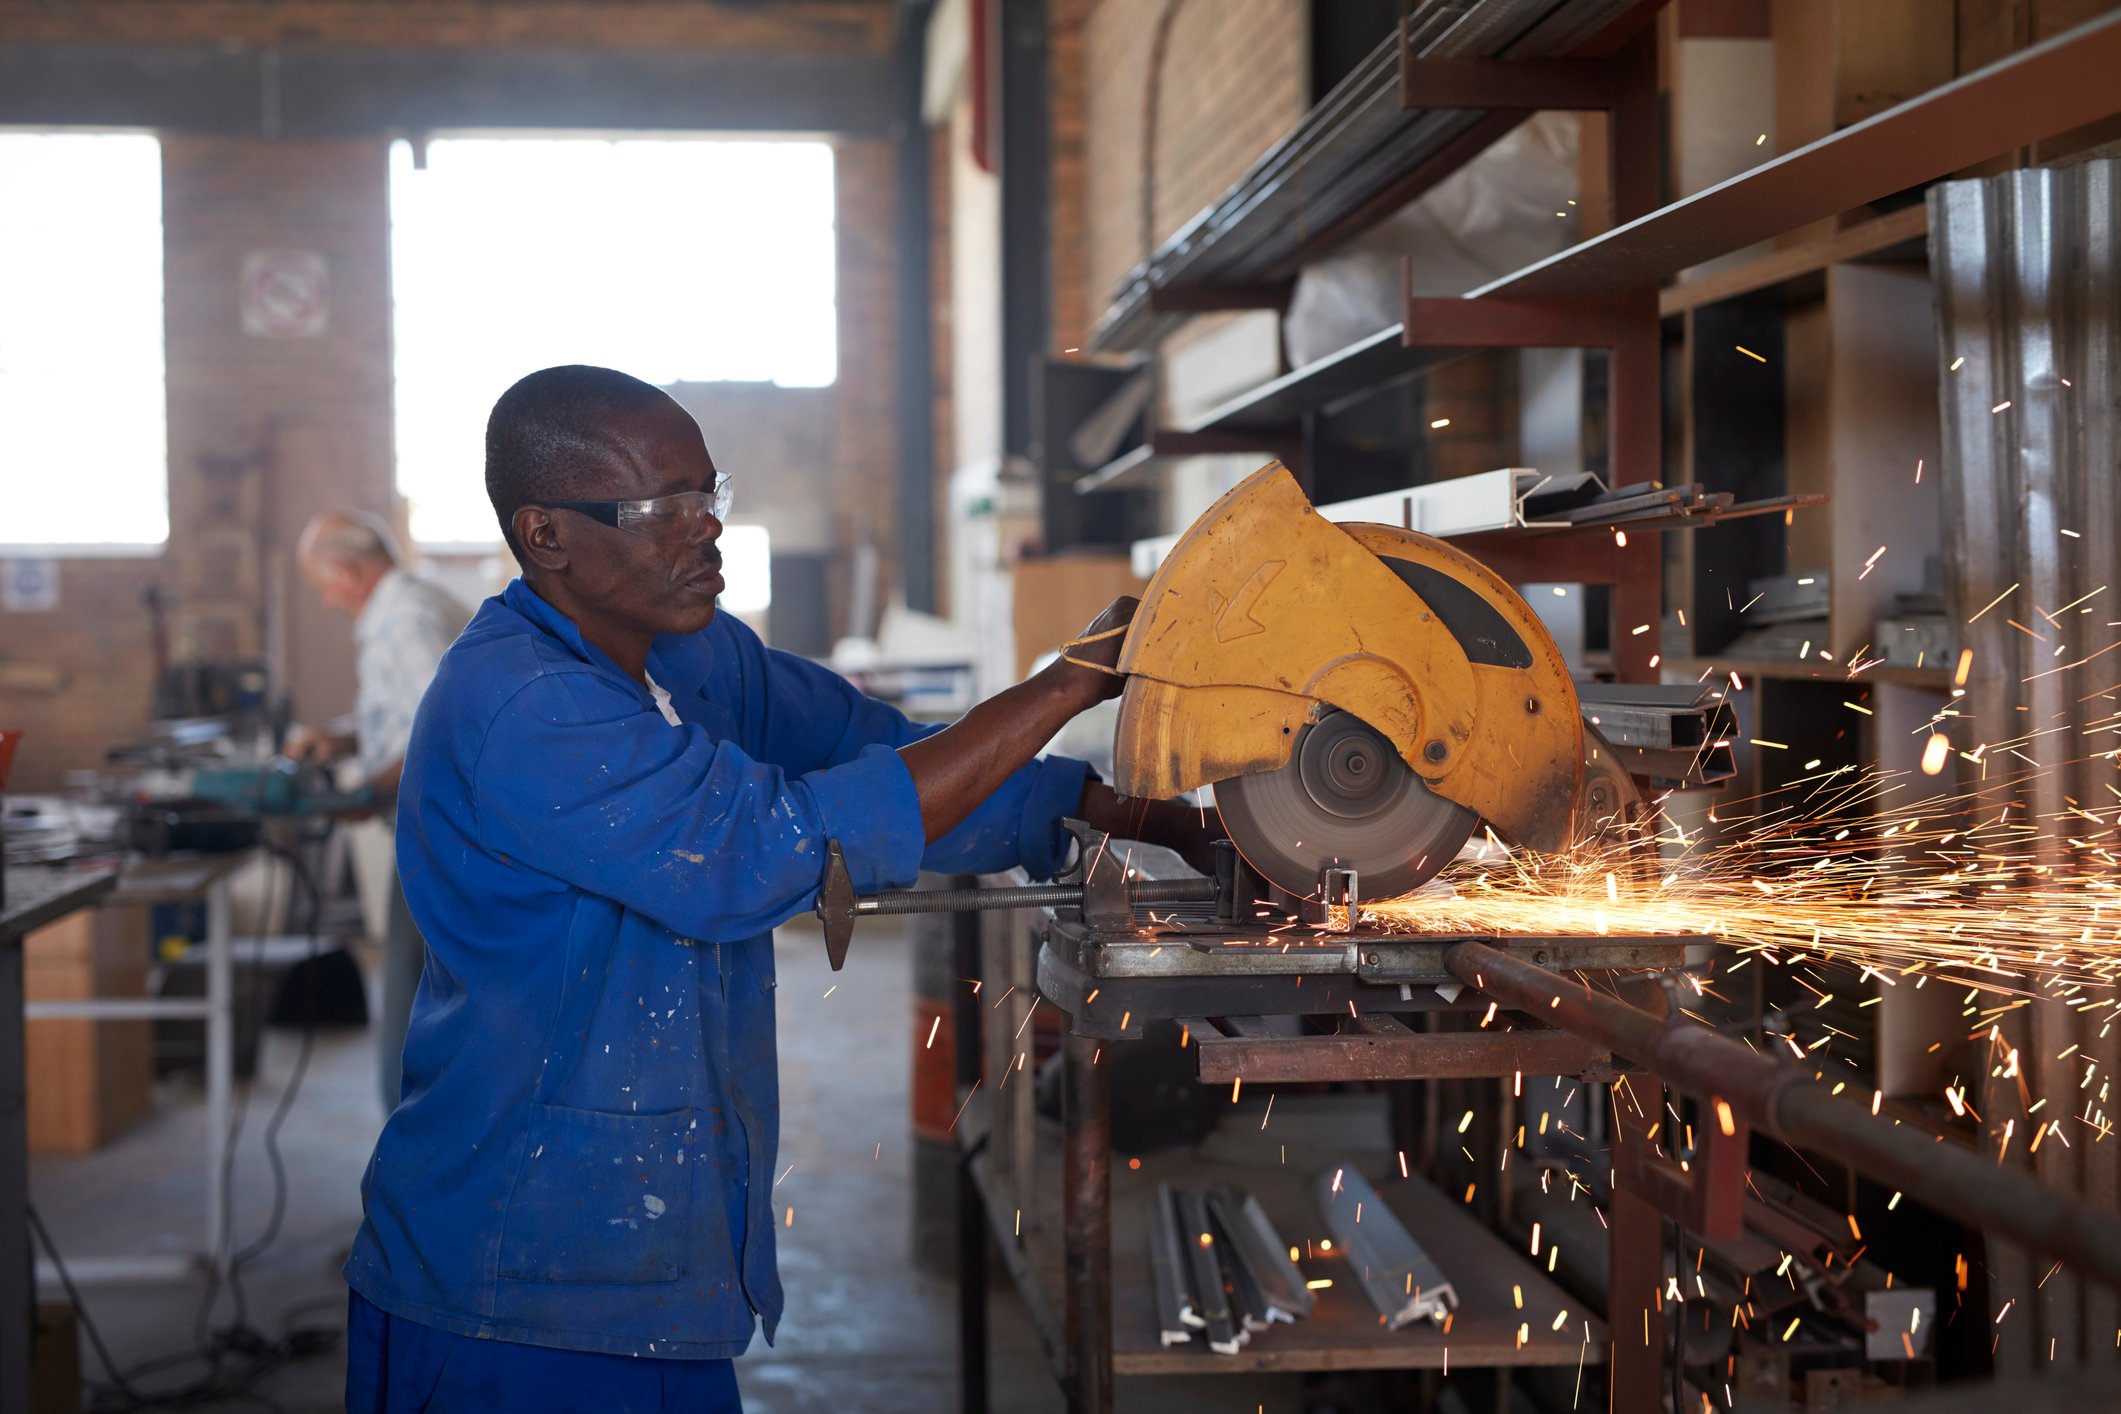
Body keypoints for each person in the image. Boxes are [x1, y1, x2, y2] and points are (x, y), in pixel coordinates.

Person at [341, 365, 1207, 1412]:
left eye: (711, 493)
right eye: (662, 508)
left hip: (654, 1263)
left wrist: (1156, 818)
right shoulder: (524, 707)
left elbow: (887, 758)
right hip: (521, 1274)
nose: (703, 528)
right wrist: (1071, 679)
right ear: (546, 535)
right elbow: (768, 842)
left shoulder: (696, 660)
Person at [289, 510, 471, 1114]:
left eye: (324, 582)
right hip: (434, 828)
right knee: (415, 989)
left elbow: (441, 730)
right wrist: (341, 741)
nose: (325, 597)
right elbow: (407, 713)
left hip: (437, 833)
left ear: (347, 568)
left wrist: (366, 789)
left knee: (408, 995)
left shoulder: (404, 621)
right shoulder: (410, 606)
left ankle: (406, 1151)